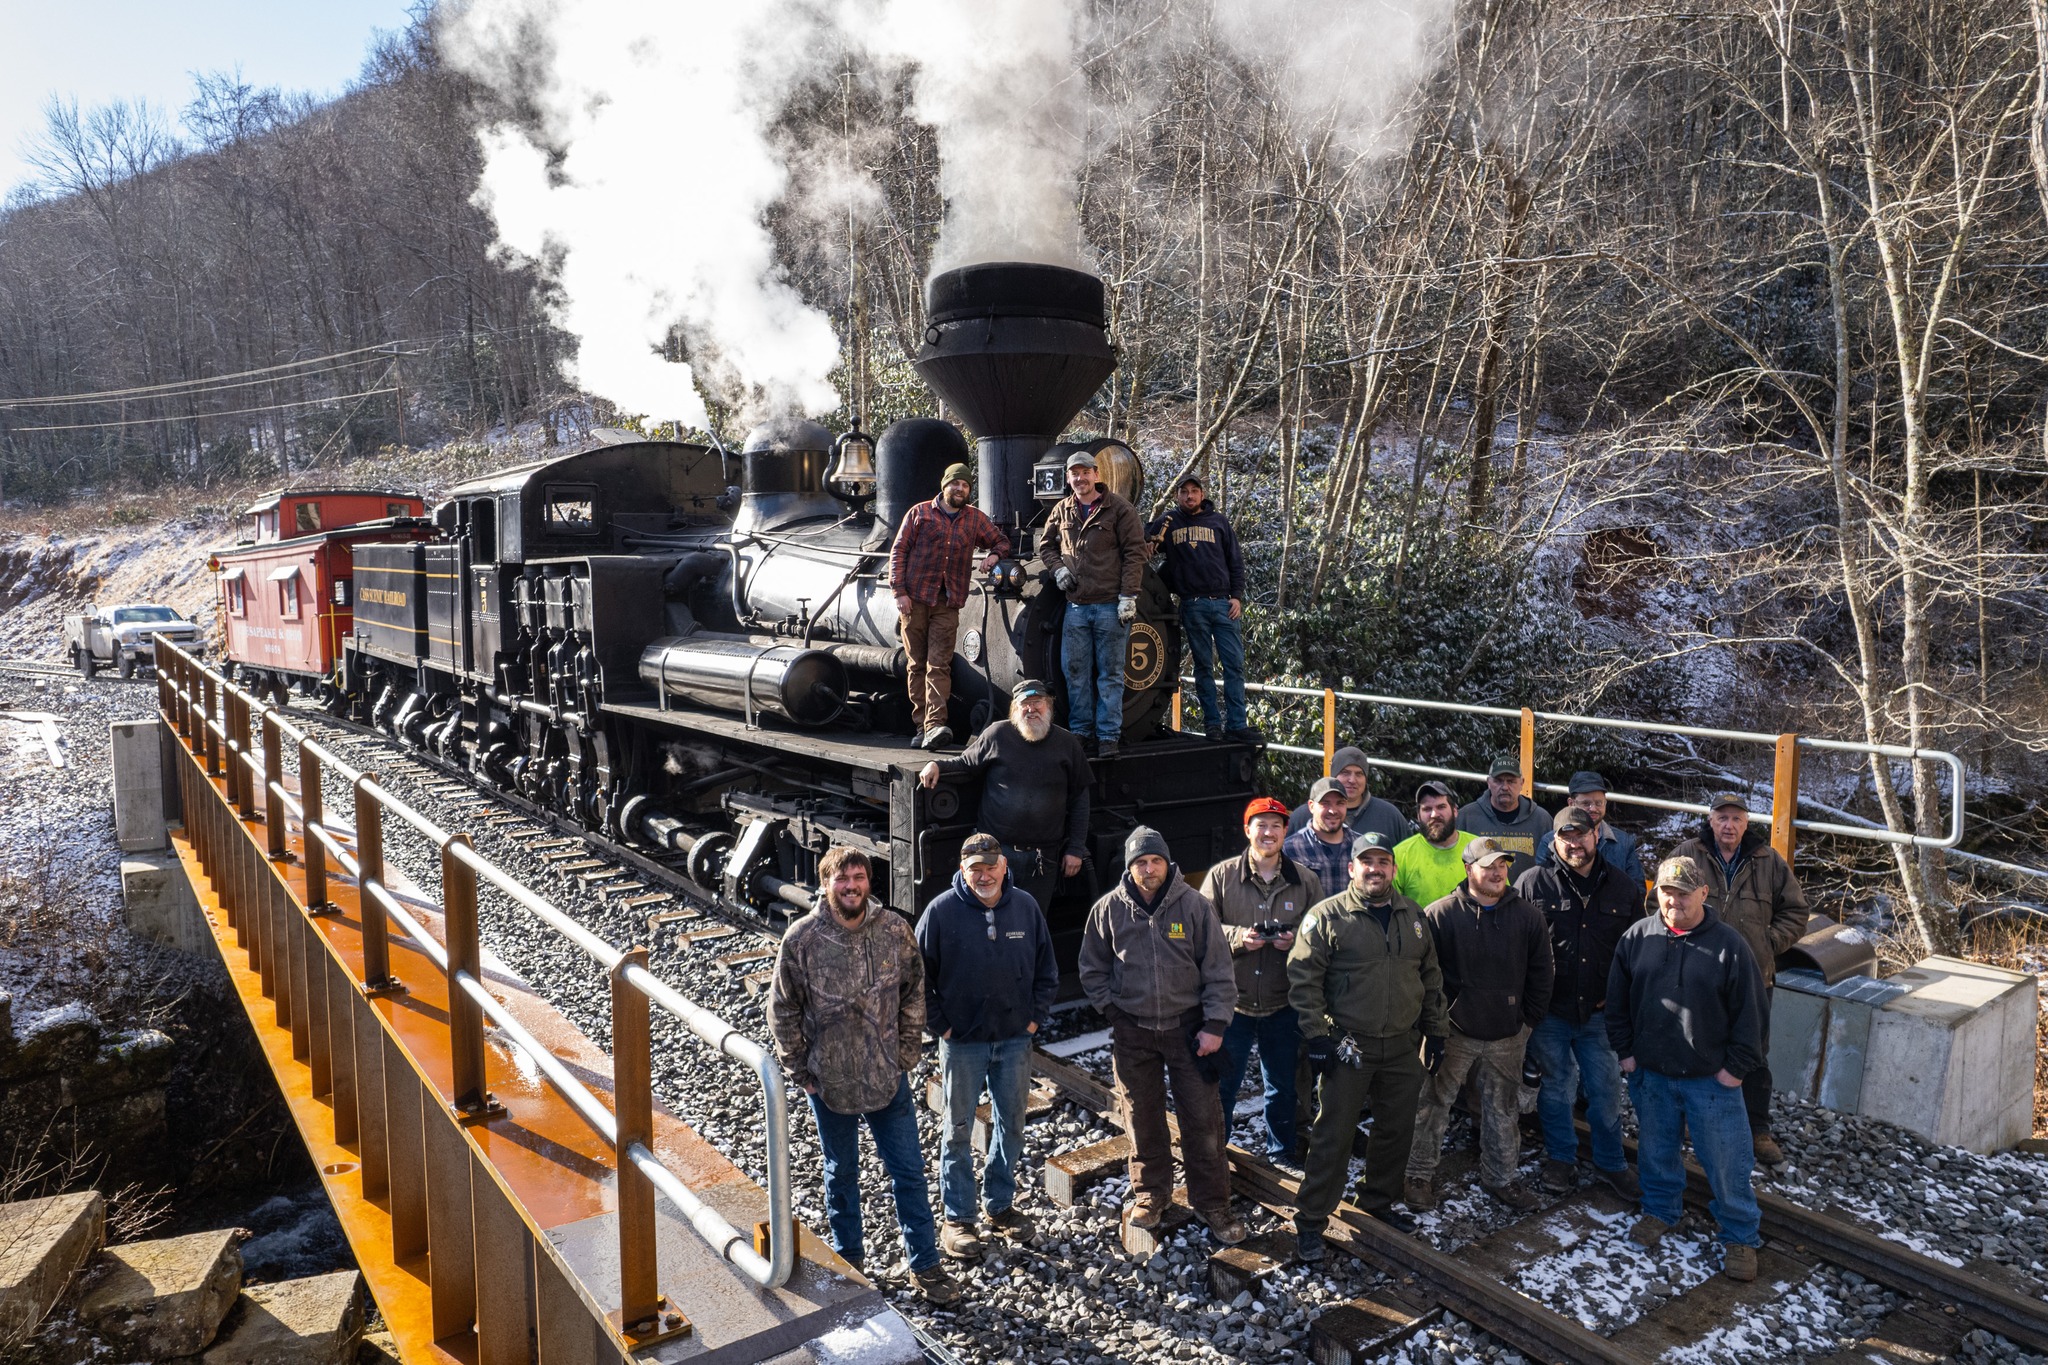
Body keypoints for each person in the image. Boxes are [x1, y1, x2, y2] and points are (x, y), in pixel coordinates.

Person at [767, 847, 959, 1303]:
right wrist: (800, 1069)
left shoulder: (894, 929)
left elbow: (915, 992)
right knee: (841, 1175)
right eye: (842, 879)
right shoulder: (803, 938)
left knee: (909, 1173)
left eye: (858, 877)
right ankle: (850, 1263)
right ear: (826, 883)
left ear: (869, 882)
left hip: (887, 1078)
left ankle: (926, 1266)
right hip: (829, 1084)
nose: (851, 886)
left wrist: (907, 1053)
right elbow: (782, 1009)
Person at [1079, 825, 1247, 1245]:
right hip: (1133, 1032)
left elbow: (1219, 970)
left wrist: (1214, 1026)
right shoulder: (1108, 910)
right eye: (1140, 862)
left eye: (1155, 861)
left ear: (1167, 863)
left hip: (1187, 1030)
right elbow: (1092, 968)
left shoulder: (1194, 906)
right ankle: (1152, 1194)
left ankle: (1212, 1203)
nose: (1148, 869)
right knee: (1141, 1117)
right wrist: (1113, 1012)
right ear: (1130, 867)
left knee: (1202, 1119)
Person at [1287, 831, 1447, 1258]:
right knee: (1333, 1135)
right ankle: (1310, 1220)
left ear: (1393, 869)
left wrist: (1437, 1031)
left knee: (1395, 1132)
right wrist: (1317, 1035)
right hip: (1348, 1046)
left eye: (1383, 862)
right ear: (1352, 868)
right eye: (1366, 862)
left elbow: (1430, 978)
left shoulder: (1412, 915)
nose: (1375, 870)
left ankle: (1376, 1203)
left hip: (1401, 1047)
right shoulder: (1327, 917)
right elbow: (1304, 982)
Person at [1607, 855, 1766, 1282]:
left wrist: (1735, 1069)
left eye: (1682, 891)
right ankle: (1661, 1211)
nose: (1673, 899)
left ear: (1702, 893)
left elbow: (1752, 1014)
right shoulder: (1637, 938)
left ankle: (1740, 1237)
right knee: (1657, 1153)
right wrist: (1626, 1054)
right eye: (1665, 890)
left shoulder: (1729, 945)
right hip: (1651, 1075)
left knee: (1727, 1163)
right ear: (1655, 892)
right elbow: (1616, 1004)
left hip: (1711, 1081)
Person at [915, 833, 1059, 1261]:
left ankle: (999, 1206)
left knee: (1011, 1124)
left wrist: (1033, 1019)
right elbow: (916, 980)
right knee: (957, 1130)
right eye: (974, 867)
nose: (983, 875)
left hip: (1015, 1041)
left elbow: (1047, 969)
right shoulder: (940, 912)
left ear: (1003, 866)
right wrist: (941, 1027)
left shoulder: (1026, 907)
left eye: (990, 866)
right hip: (963, 1045)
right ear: (963, 868)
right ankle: (958, 1219)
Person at [1405, 837, 1554, 1212]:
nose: (1497, 872)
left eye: (1502, 864)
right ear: (1468, 869)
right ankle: (1418, 1174)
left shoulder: (1528, 916)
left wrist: (1527, 1021)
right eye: (1488, 865)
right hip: (1453, 1030)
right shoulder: (1440, 914)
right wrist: (1433, 1026)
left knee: (1502, 1109)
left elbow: (1542, 972)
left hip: (1508, 1033)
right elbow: (1424, 974)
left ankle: (1501, 1177)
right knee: (1432, 1102)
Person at [1670, 793, 1808, 1166]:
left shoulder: (1768, 860)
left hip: (1754, 975)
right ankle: (1692, 1119)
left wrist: (1767, 944)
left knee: (1754, 1052)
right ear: (1710, 820)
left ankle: (1756, 1128)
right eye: (1721, 817)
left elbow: (1796, 912)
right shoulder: (1688, 853)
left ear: (1746, 822)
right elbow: (1662, 904)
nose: (1728, 825)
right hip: (1697, 973)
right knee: (1694, 1044)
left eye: (1736, 818)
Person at [1516, 806, 1644, 1198]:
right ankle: (1561, 1158)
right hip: (1550, 1012)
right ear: (1554, 840)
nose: (1574, 844)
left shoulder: (1623, 888)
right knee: (1556, 1089)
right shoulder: (1531, 884)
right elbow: (1516, 948)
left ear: (1596, 835)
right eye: (1565, 837)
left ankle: (1610, 1163)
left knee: (1606, 1091)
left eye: (1581, 835)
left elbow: (1636, 953)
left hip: (1600, 1014)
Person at [1199, 797, 1324, 1166]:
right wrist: (1240, 938)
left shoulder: (1305, 880)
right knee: (1222, 1085)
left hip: (1283, 1001)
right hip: (1231, 1003)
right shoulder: (1221, 877)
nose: (1268, 833)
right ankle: (1214, 1152)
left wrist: (1294, 940)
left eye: (1275, 826)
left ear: (1286, 832)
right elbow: (1202, 930)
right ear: (1247, 830)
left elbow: (1320, 930)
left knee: (1283, 1087)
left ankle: (1281, 1153)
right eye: (1261, 825)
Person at [918, 678, 1090, 915]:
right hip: (996, 856)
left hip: (1043, 859)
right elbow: (966, 763)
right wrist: (936, 764)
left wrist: (1076, 849)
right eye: (1024, 704)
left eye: (1037, 702)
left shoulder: (1067, 743)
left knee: (1032, 924)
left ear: (1048, 706)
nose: (1031, 709)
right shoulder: (997, 734)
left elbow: (1081, 798)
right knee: (988, 921)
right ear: (1014, 709)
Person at [889, 461, 1011, 750]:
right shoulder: (919, 513)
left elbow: (1002, 542)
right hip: (915, 600)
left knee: (939, 665)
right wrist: (899, 592)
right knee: (916, 665)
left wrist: (993, 557)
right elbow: (899, 550)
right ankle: (921, 725)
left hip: (948, 602)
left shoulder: (975, 519)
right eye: (955, 483)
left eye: (965, 485)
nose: (960, 489)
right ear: (944, 485)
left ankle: (934, 726)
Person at [1040, 447, 1148, 757]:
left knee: (1110, 674)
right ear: (1068, 478)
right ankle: (1081, 733)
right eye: (1074, 473)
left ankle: (1108, 737)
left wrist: (1129, 596)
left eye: (1085, 472)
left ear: (1096, 475)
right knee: (1075, 671)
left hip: (1110, 606)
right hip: (1076, 606)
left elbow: (1134, 554)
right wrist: (1058, 569)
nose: (1080, 478)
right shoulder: (1062, 510)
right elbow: (1046, 546)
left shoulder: (1121, 510)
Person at [1146, 473, 1256, 742]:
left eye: (1194, 491)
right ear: (1178, 495)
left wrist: (1237, 597)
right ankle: (1212, 726)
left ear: (1203, 494)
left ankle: (1237, 725)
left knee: (1234, 665)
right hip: (1192, 605)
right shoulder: (1170, 522)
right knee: (1203, 667)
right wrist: (1149, 542)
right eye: (1184, 492)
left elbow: (1235, 562)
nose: (1189, 496)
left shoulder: (1219, 522)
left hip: (1223, 603)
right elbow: (1142, 537)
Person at [1533, 771, 1648, 883]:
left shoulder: (1623, 842)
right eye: (1586, 803)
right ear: (1571, 803)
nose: (1593, 808)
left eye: (1599, 803)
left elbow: (1636, 889)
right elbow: (1541, 885)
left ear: (1605, 803)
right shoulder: (1550, 841)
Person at [1287, 746, 1414, 844]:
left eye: (1359, 774)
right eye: (1345, 773)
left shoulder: (1389, 816)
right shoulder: (1303, 817)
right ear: (1333, 776)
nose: (1352, 780)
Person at [1457, 755, 1550, 879]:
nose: (1505, 787)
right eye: (1498, 781)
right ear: (1489, 783)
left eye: (1511, 781)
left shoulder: (1541, 819)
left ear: (1522, 783)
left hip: (1527, 896)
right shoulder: (1467, 817)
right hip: (1480, 896)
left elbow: (1550, 867)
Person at [1392, 781, 1475, 908]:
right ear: (1418, 816)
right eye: (1427, 809)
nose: (1434, 814)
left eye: (1441, 807)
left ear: (1455, 811)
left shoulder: (1477, 848)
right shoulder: (1400, 855)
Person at [1283, 777, 1359, 896]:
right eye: (1325, 804)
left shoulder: (1360, 846)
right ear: (1311, 806)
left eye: (1340, 803)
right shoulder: (1290, 849)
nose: (1333, 811)